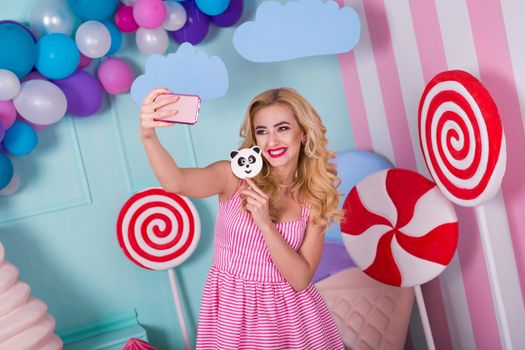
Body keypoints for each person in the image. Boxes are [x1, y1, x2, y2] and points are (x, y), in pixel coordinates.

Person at [139, 87, 345, 349]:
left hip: (293, 321)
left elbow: (301, 279)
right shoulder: (234, 177)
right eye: (262, 131)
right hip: (233, 315)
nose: (272, 141)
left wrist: (266, 225)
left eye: (282, 128)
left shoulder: (314, 198)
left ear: (303, 133)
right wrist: (148, 135)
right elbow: (176, 182)